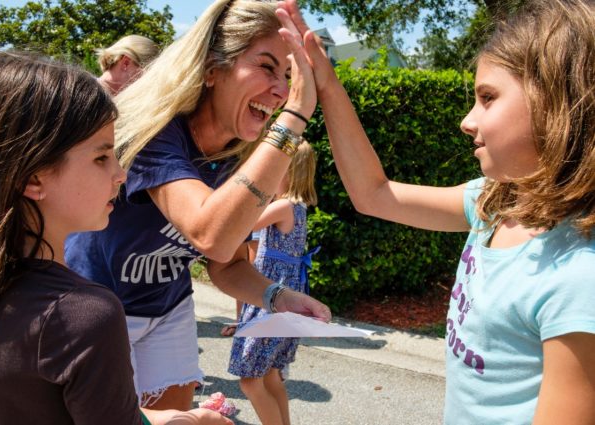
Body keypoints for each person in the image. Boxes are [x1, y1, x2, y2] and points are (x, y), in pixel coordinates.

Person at [277, 0, 595, 423]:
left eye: (487, 98)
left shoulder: (578, 278)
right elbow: (375, 194)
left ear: (557, 104)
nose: (467, 120)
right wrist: (329, 87)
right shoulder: (495, 202)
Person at [0, 51, 232, 425]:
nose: (120, 175)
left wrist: (176, 419)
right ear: (33, 178)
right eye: (101, 157)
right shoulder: (84, 314)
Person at [65, 0, 331, 411]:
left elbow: (225, 261)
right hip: (97, 307)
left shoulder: (237, 158)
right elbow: (208, 230)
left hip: (167, 307)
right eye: (266, 67)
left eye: (289, 76)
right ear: (212, 69)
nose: (281, 90)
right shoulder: (159, 133)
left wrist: (279, 297)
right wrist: (295, 115)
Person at [228, 141, 318, 425]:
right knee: (270, 375)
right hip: (285, 294)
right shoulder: (298, 207)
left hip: (271, 297)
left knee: (250, 381)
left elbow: (243, 222)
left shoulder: (282, 206)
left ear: (288, 171)